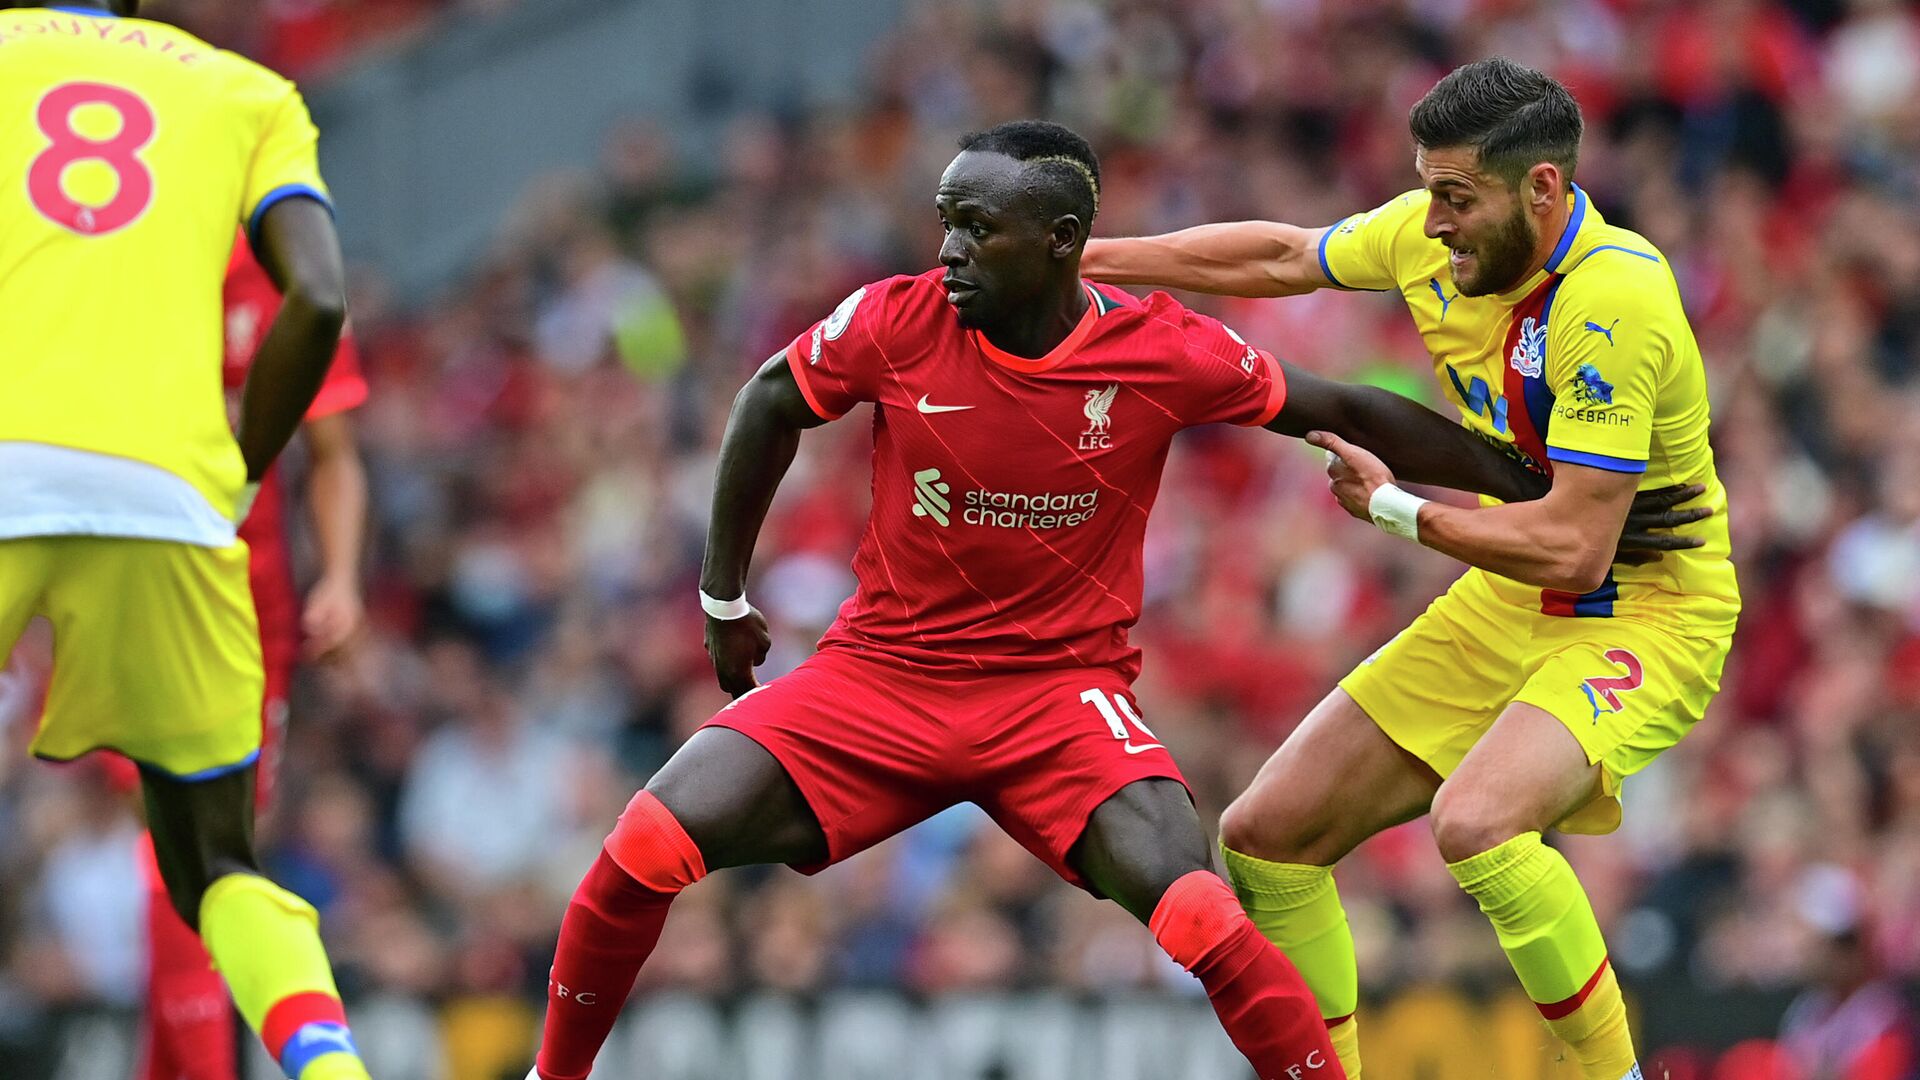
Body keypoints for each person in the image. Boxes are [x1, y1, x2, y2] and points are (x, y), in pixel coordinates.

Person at [527, 119, 1698, 1080]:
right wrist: (721, 595)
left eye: (978, 230)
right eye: (945, 223)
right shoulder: (898, 317)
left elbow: (1337, 401)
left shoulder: (1161, 353)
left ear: (1063, 244)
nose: (949, 252)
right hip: (879, 679)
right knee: (642, 844)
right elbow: (766, 403)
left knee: (1204, 911)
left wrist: (1519, 478)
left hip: (1059, 702)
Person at [1081, 57, 1737, 1080]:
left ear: (1543, 189)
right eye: (1427, 190)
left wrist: (1394, 509)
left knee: (1476, 822)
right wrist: (1087, 259)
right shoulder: (1439, 234)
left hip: (1647, 610)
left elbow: (1576, 544)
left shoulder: (1614, 300)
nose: (1430, 223)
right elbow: (1285, 255)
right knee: (1265, 836)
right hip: (1512, 594)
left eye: (1454, 198)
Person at [0, 4, 371, 1079]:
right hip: (172, 508)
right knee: (214, 865)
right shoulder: (246, 94)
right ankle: (333, 1068)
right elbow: (321, 292)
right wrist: (238, 471)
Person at [131, 234, 370, 1080]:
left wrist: (339, 580)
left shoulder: (287, 258)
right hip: (129, 588)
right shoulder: (118, 239)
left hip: (247, 608)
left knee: (207, 851)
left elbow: (333, 454)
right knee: (186, 848)